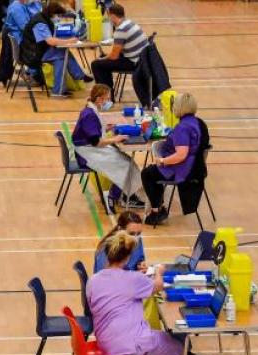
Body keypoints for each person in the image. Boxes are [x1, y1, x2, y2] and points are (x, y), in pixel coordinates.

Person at [87, 232, 182, 355]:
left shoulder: (93, 280)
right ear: (128, 257)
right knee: (176, 349)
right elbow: (158, 286)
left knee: (159, 344)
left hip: (105, 342)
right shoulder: (132, 279)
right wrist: (159, 271)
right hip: (131, 344)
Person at [72, 84, 144, 211]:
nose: (108, 101)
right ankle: (113, 196)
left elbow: (93, 130)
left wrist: (106, 128)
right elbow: (96, 142)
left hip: (90, 148)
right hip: (87, 154)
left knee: (128, 163)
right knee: (126, 165)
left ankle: (126, 195)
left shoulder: (91, 109)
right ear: (99, 99)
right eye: (107, 98)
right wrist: (115, 139)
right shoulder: (89, 114)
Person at [141, 92, 201, 225]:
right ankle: (159, 207)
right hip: (190, 166)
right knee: (152, 171)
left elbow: (181, 155)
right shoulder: (194, 122)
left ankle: (157, 211)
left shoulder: (183, 128)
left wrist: (162, 161)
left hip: (180, 169)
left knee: (147, 174)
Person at [22, 1, 91, 98]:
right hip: (32, 54)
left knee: (61, 57)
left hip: (38, 50)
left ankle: (59, 90)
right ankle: (78, 76)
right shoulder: (40, 23)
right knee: (62, 54)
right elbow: (50, 41)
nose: (58, 17)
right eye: (58, 15)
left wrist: (64, 40)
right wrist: (68, 41)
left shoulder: (43, 17)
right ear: (52, 13)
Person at [90, 3, 148, 102]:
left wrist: (102, 58)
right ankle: (107, 95)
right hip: (141, 59)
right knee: (103, 61)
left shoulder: (121, 30)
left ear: (112, 16)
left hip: (134, 63)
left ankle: (106, 98)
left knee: (97, 65)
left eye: (108, 16)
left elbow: (114, 56)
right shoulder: (129, 23)